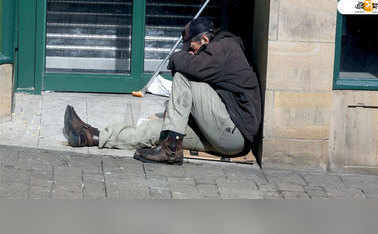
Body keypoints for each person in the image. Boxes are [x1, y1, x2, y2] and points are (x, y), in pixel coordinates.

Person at [63, 17, 262, 166]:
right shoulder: (214, 50)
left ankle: (170, 150)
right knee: (156, 130)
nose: (189, 53)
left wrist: (177, 58)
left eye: (191, 49)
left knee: (184, 76)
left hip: (234, 134)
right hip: (219, 131)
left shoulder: (225, 48)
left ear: (204, 40)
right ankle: (92, 137)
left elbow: (192, 69)